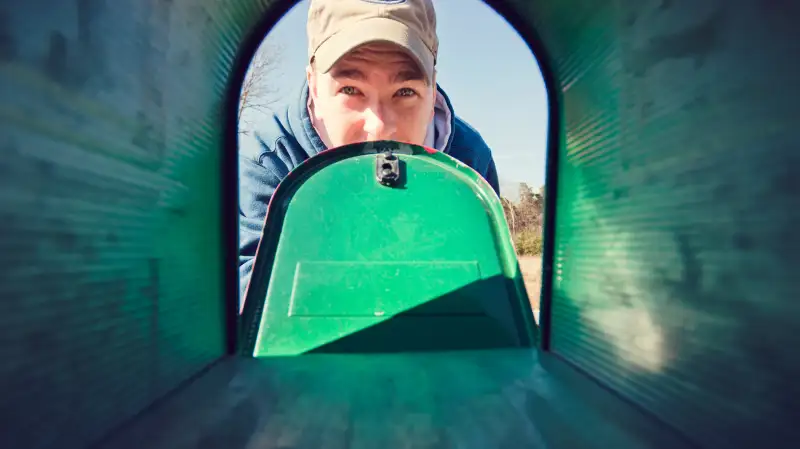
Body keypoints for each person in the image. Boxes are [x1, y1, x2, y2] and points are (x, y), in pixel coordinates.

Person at [239, 0, 501, 299]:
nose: (378, 128)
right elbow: (249, 295)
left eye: (405, 92)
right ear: (314, 85)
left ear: (432, 91)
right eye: (350, 89)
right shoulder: (270, 159)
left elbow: (488, 289)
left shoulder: (468, 160)